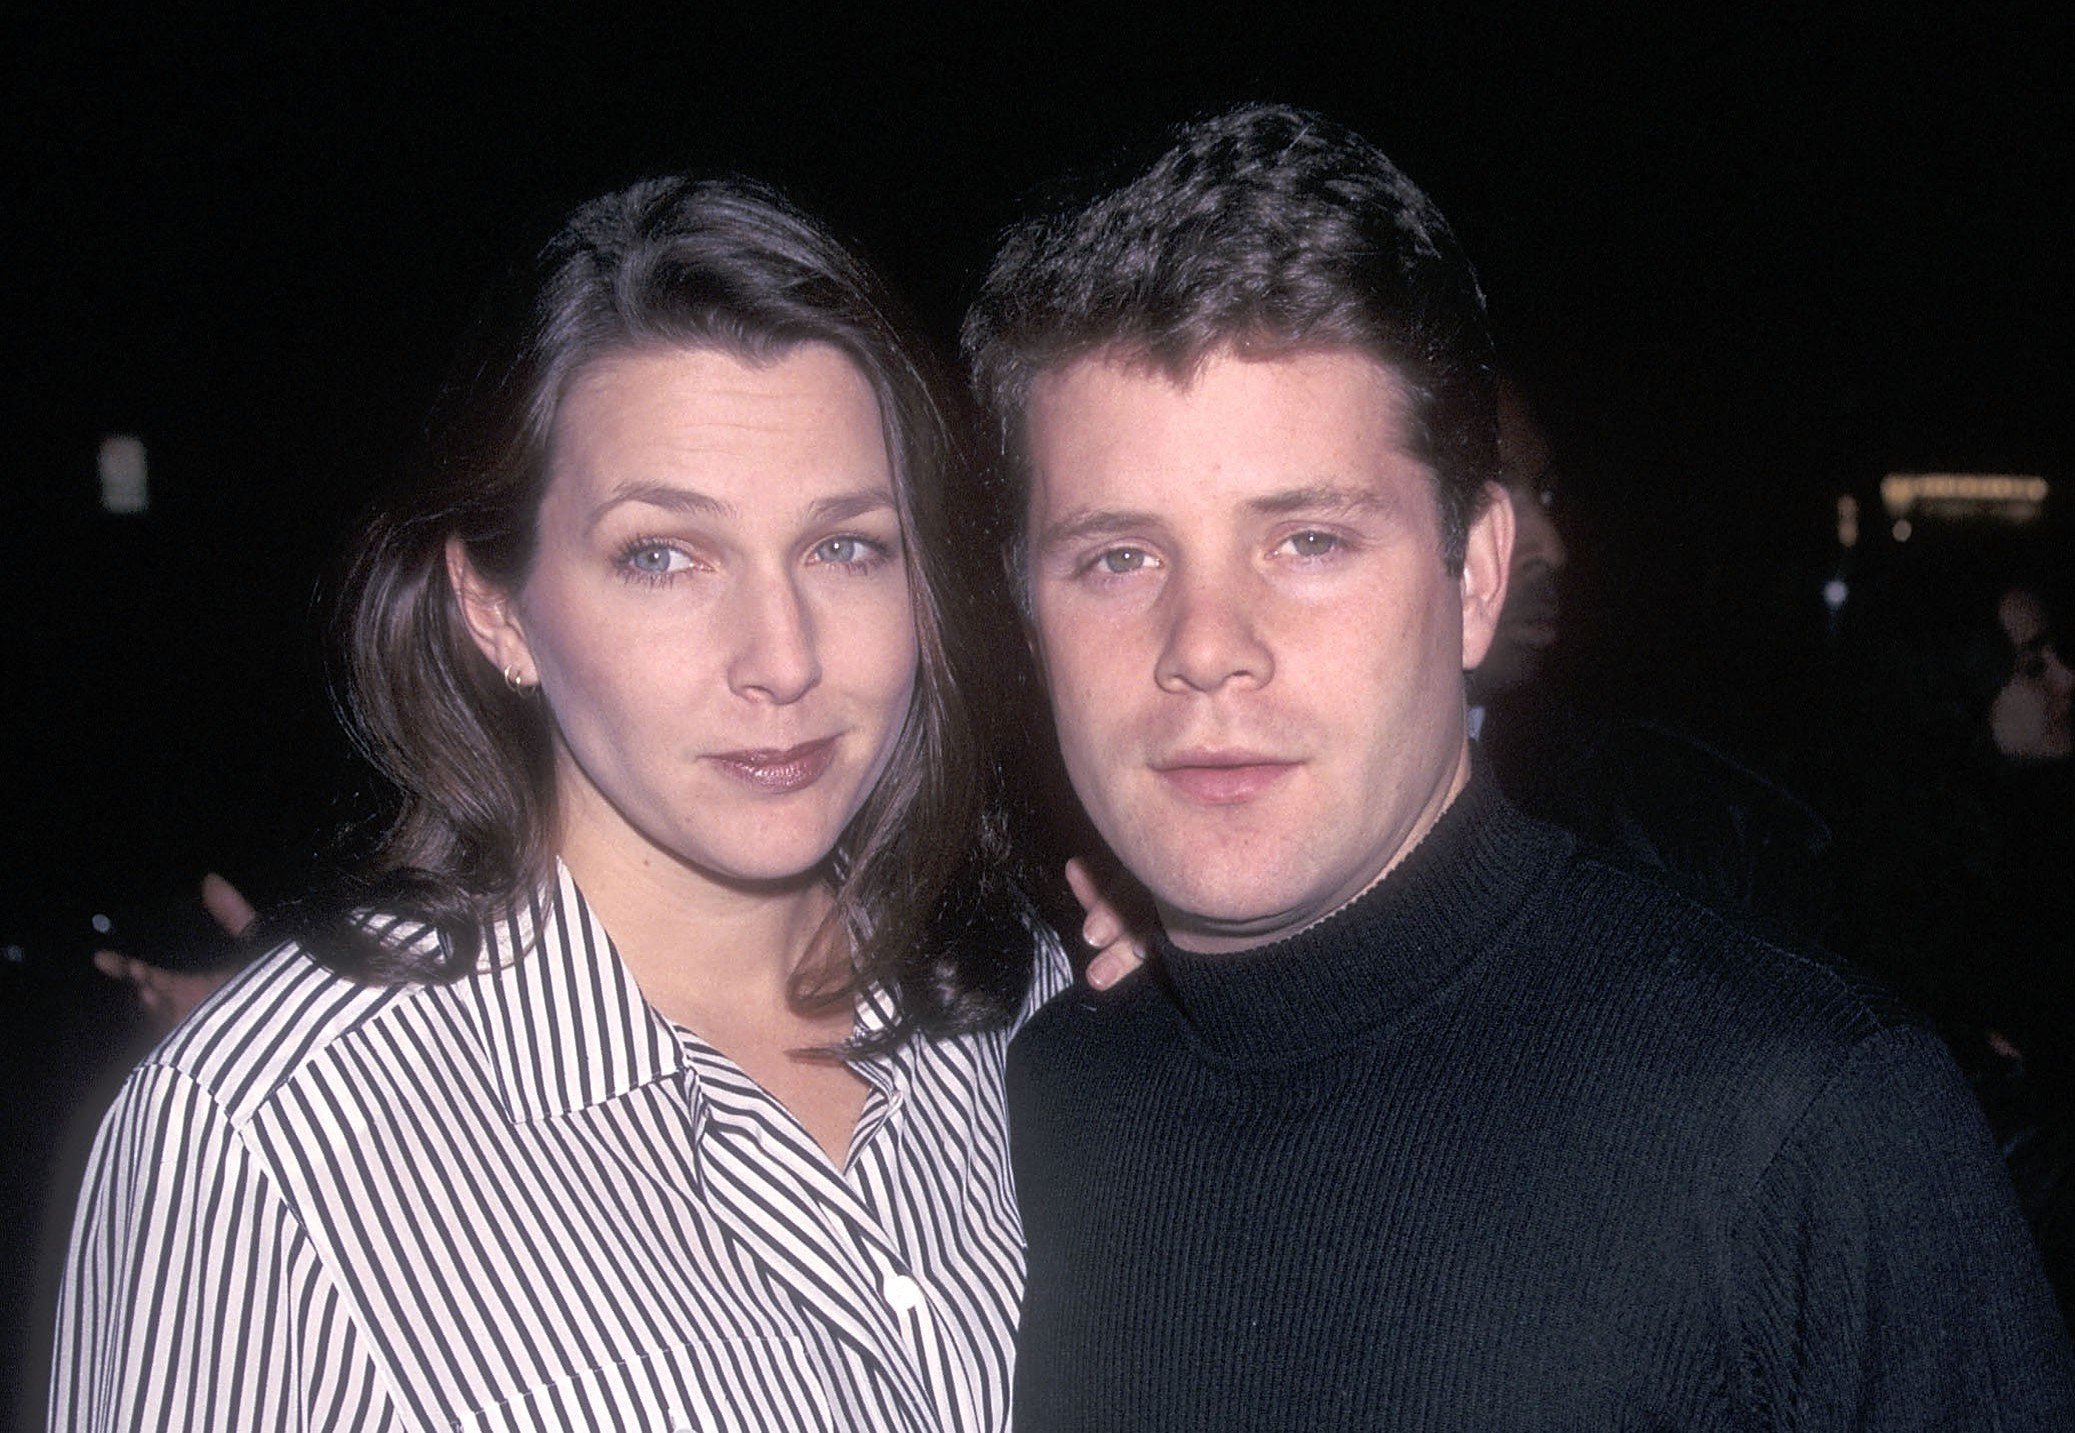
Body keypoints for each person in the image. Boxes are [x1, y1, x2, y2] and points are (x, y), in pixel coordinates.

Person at [965, 103, 2075, 1427]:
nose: (1204, 648)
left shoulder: (1808, 1122)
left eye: (1308, 541)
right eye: (1115, 558)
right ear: (1026, 613)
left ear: (1474, 577)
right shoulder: (1034, 1110)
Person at [52, 176, 1067, 1432]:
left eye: (845, 546)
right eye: (662, 555)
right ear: (494, 605)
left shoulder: (1033, 1010)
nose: (783, 655)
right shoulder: (265, 1144)